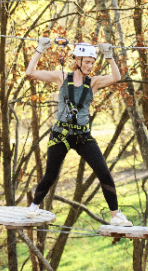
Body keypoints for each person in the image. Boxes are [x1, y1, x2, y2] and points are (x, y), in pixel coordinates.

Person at [25, 38, 134, 227]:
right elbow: (30, 72)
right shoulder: (61, 77)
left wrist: (109, 57)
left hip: (83, 137)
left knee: (103, 172)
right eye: (87, 62)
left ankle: (115, 215)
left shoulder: (94, 82)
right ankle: (34, 205)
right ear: (77, 60)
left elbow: (116, 77)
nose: (90, 66)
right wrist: (39, 49)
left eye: (92, 62)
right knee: (50, 174)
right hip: (60, 134)